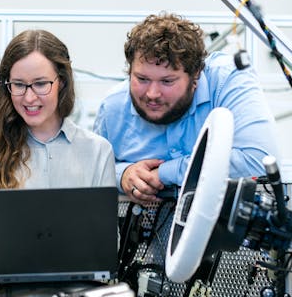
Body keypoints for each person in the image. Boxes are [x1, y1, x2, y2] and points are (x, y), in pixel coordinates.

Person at [94, 12, 279, 205]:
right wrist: (123, 174)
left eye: (167, 81)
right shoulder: (112, 108)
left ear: (196, 74)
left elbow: (258, 160)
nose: (152, 94)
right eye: (142, 79)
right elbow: (94, 171)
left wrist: (164, 173)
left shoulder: (227, 81)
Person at [0, 29, 116, 190]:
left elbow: (101, 216)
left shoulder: (98, 152)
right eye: (18, 84)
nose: (29, 98)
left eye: (40, 84)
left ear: (61, 82)